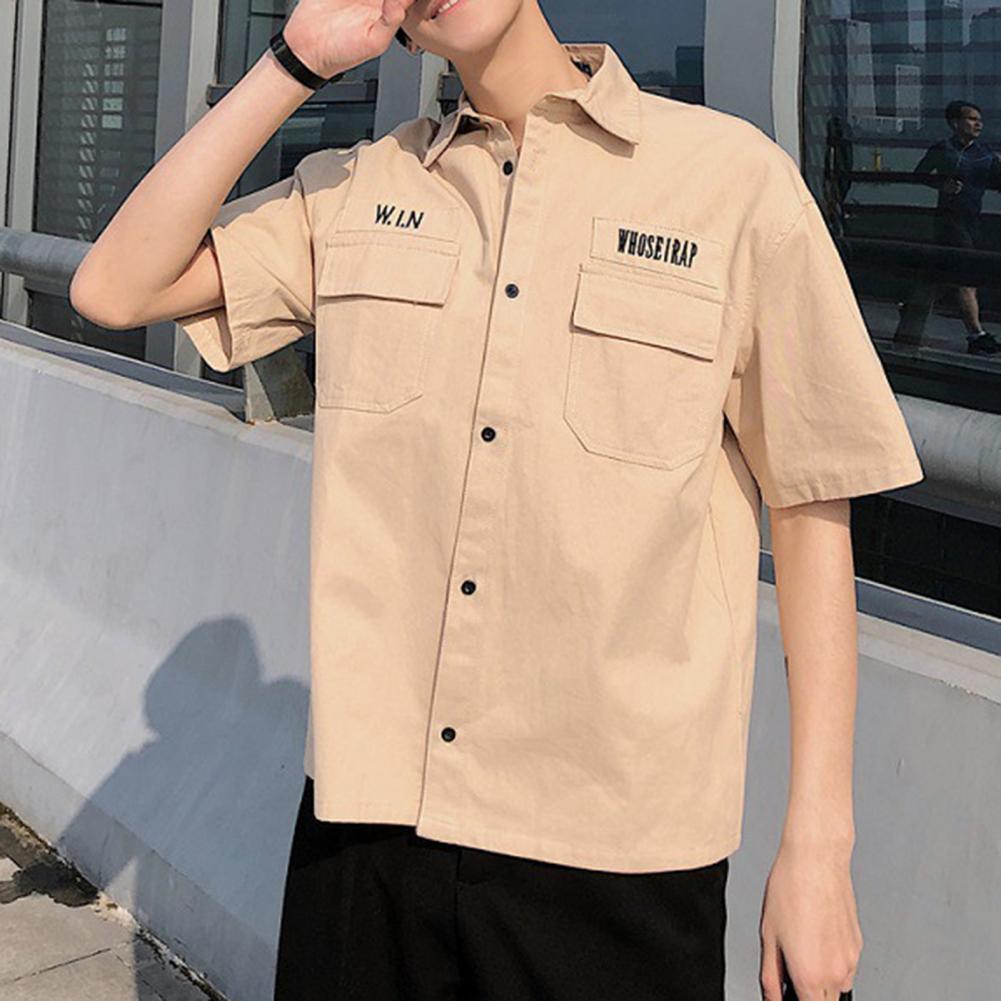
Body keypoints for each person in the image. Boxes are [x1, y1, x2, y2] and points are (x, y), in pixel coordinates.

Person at [69, 1, 924, 998]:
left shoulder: (731, 182)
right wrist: (294, 61)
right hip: (370, 832)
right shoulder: (356, 189)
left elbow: (812, 509)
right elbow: (114, 290)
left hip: (616, 854)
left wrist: (818, 845)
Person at [909, 99, 1001, 355]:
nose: (978, 124)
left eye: (979, 120)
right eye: (972, 119)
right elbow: (919, 174)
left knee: (939, 279)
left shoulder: (985, 153)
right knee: (965, 277)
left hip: (974, 221)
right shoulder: (944, 149)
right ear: (955, 123)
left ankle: (909, 321)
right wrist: (941, 184)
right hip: (949, 221)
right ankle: (976, 335)